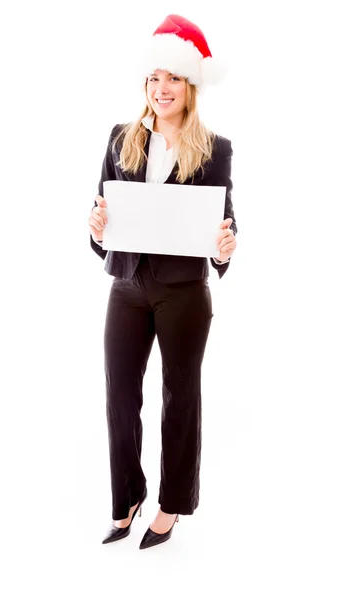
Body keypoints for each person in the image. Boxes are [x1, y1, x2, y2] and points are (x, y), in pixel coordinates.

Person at [87, 14, 237, 550]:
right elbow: (103, 210)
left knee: (181, 395)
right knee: (119, 395)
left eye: (172, 78)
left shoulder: (214, 149)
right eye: (154, 78)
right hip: (126, 285)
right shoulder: (120, 138)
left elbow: (226, 218)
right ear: (145, 85)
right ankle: (126, 497)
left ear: (189, 86)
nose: (161, 87)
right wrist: (96, 225)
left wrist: (227, 243)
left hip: (183, 291)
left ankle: (172, 505)